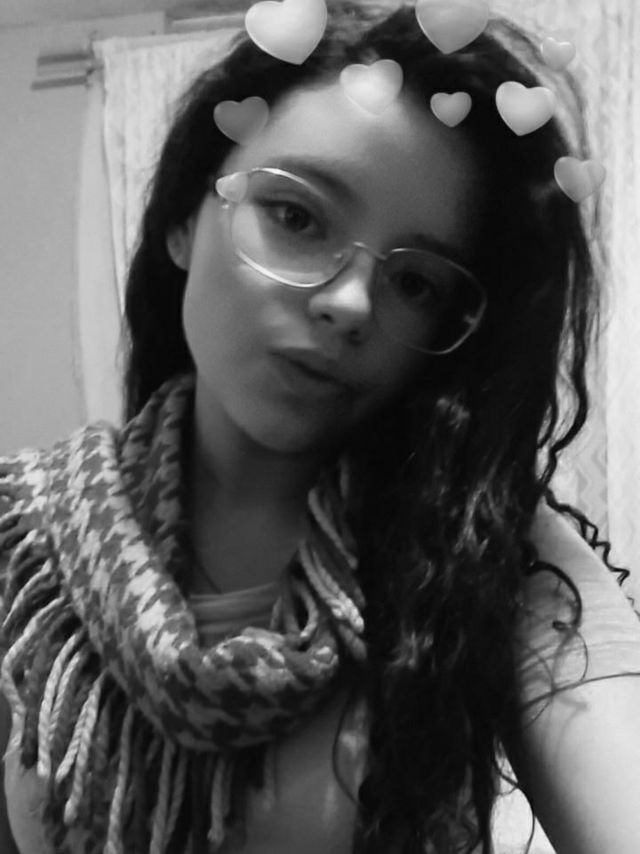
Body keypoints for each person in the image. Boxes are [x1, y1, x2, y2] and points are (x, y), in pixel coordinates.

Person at [1, 2, 640, 852]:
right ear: (183, 220)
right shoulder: (24, 546)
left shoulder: (486, 555)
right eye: (296, 217)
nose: (350, 303)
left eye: (415, 282)